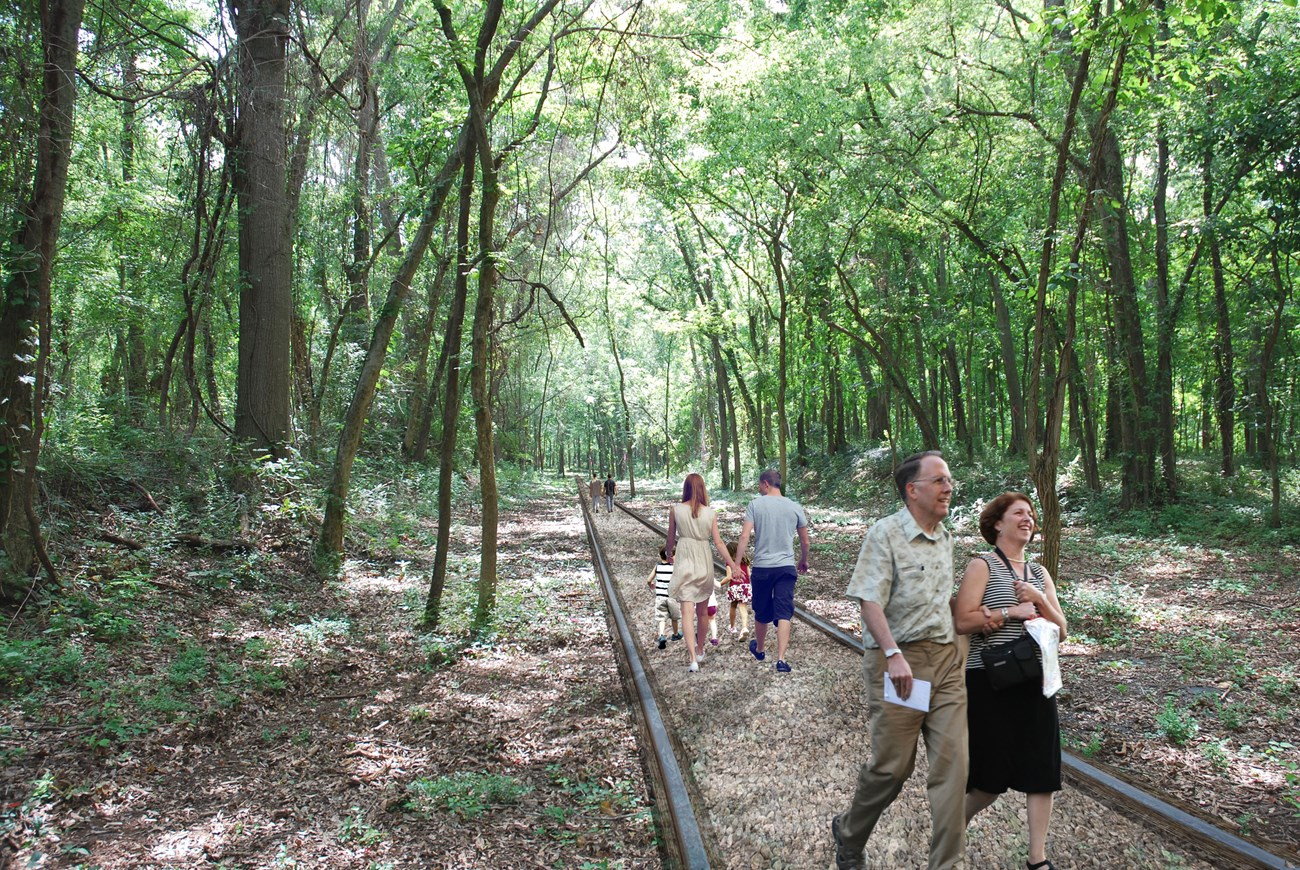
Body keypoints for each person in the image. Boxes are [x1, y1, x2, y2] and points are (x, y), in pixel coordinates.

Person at [832, 450, 966, 870]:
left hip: (945, 666)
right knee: (893, 769)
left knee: (954, 770)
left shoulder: (945, 537)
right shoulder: (885, 534)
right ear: (913, 490)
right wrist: (892, 654)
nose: (949, 488)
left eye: (949, 480)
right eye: (940, 480)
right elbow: (868, 598)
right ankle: (850, 834)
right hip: (902, 668)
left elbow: (942, 602)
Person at [952, 493, 1068, 870]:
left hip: (1037, 679)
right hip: (990, 681)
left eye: (1031, 513)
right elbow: (963, 621)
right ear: (997, 524)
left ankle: (1038, 860)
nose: (1028, 518)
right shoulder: (981, 566)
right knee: (990, 779)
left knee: (1042, 773)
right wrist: (1010, 611)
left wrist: (1038, 598)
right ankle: (953, 827)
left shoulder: (1040, 574)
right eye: (1018, 512)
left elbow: (1062, 630)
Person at [734, 469, 809, 673]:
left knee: (762, 609)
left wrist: (736, 565)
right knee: (784, 610)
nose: (759, 489)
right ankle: (781, 659)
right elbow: (804, 540)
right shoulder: (794, 507)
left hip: (763, 567)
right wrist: (803, 560)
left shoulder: (755, 505)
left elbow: (744, 537)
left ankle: (759, 649)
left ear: (766, 484)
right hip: (785, 567)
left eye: (760, 485)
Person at [665, 473, 737, 672]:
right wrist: (733, 564)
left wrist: (669, 554)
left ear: (685, 488)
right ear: (703, 489)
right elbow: (719, 542)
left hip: (685, 560)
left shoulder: (675, 510)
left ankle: (692, 659)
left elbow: (670, 539)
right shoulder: (710, 513)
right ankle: (700, 647)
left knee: (687, 613)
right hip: (704, 562)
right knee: (702, 611)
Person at [646, 547, 682, 649]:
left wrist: (651, 585)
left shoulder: (657, 567)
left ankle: (661, 635)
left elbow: (649, 579)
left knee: (662, 618)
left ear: (660, 556)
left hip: (660, 597)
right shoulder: (674, 567)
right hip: (672, 597)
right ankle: (675, 635)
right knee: (674, 618)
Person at [723, 541, 752, 640]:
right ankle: (744, 628)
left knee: (733, 606)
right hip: (745, 586)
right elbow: (749, 574)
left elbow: (729, 577)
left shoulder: (729, 562)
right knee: (743, 607)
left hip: (735, 587)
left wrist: (719, 583)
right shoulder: (745, 560)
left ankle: (732, 627)